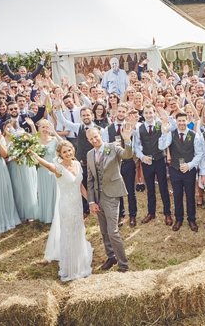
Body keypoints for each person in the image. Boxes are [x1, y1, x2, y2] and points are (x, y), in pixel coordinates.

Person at [33, 141, 93, 282]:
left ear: (73, 150)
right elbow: (48, 165)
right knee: (68, 233)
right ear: (60, 154)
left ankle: (80, 259)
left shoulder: (77, 165)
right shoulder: (59, 168)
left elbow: (80, 187)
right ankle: (70, 266)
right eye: (64, 152)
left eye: (69, 150)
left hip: (77, 205)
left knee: (78, 231)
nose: (68, 153)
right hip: (66, 206)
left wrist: (90, 202)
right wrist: (36, 157)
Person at [86, 126, 133, 272]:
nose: (94, 140)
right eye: (91, 138)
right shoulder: (89, 154)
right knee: (104, 230)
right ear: (88, 140)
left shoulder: (113, 147)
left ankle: (123, 264)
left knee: (113, 231)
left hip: (112, 195)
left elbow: (127, 155)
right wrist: (92, 201)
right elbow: (90, 179)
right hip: (98, 197)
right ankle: (111, 256)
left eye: (96, 136)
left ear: (100, 134)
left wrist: (127, 140)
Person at [159, 112, 204, 232]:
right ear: (176, 122)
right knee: (177, 195)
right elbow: (161, 146)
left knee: (190, 195)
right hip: (175, 169)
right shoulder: (171, 134)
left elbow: (199, 153)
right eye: (179, 121)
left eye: (184, 121)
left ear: (187, 120)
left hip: (189, 170)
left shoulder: (194, 135)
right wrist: (164, 132)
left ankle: (191, 219)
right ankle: (179, 219)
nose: (182, 123)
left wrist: (189, 165)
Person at [132, 104, 173, 226]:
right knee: (150, 189)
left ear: (155, 113)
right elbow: (137, 146)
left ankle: (167, 213)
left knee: (163, 188)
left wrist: (165, 131)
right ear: (143, 115)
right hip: (147, 162)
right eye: (146, 113)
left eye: (151, 112)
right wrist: (142, 157)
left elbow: (166, 143)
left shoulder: (161, 125)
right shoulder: (139, 128)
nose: (149, 115)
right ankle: (151, 212)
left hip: (160, 160)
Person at [36, 119, 59, 224]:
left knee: (55, 189)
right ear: (39, 128)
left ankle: (57, 214)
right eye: (43, 127)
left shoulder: (54, 140)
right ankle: (47, 215)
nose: (45, 129)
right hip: (42, 169)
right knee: (45, 190)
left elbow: (64, 144)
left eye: (47, 127)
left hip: (54, 168)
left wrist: (55, 133)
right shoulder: (35, 141)